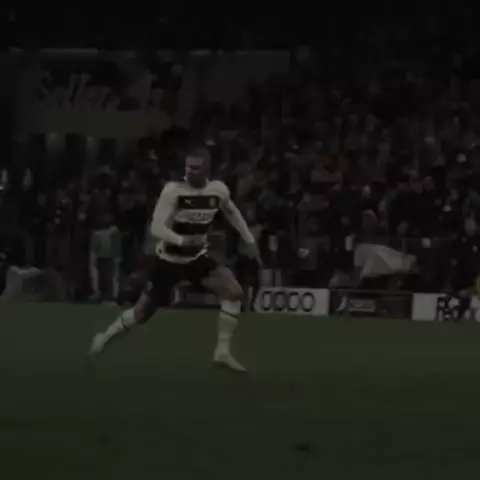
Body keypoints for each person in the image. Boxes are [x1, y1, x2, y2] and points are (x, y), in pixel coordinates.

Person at [88, 147, 262, 373]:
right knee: (141, 313)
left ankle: (222, 351)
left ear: (207, 169)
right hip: (169, 260)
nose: (190, 171)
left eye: (196, 167)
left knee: (234, 292)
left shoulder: (218, 190)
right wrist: (181, 240)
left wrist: (249, 239)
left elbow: (231, 211)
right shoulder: (173, 191)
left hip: (196, 258)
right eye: (188, 166)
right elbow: (156, 227)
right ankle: (104, 337)